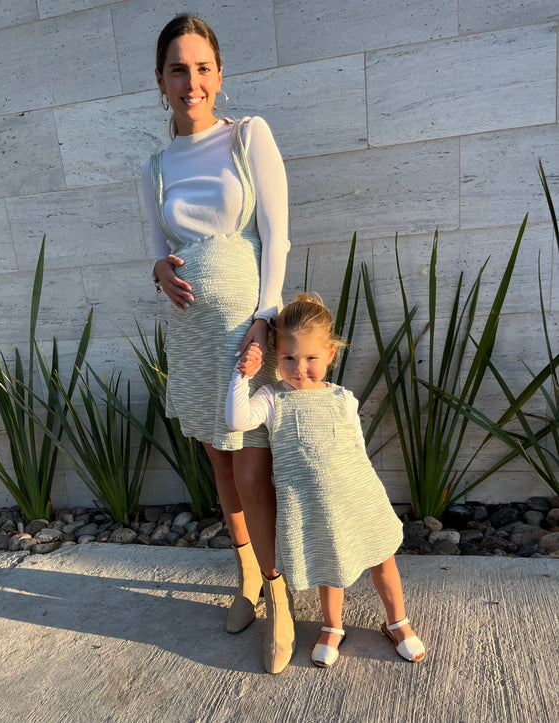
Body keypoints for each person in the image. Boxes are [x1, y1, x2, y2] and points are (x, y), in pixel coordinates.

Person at [142, 14, 294, 674]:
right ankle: (247, 576)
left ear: (219, 75)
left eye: (202, 67)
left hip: (245, 335)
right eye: (178, 69)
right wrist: (158, 271)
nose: (191, 81)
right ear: (160, 80)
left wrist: (266, 317)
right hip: (192, 337)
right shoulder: (154, 167)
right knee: (220, 465)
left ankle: (279, 593)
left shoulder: (248, 135)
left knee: (254, 469)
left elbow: (277, 234)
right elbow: (159, 251)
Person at [226, 293, 426, 668]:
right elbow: (237, 420)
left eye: (311, 358)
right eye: (288, 358)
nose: (300, 369)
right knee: (329, 567)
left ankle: (397, 621)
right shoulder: (272, 398)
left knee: (382, 560)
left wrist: (368, 494)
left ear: (331, 354)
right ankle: (333, 626)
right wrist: (243, 375)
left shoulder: (342, 398)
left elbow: (357, 449)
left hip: (358, 497)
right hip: (315, 506)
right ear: (275, 355)